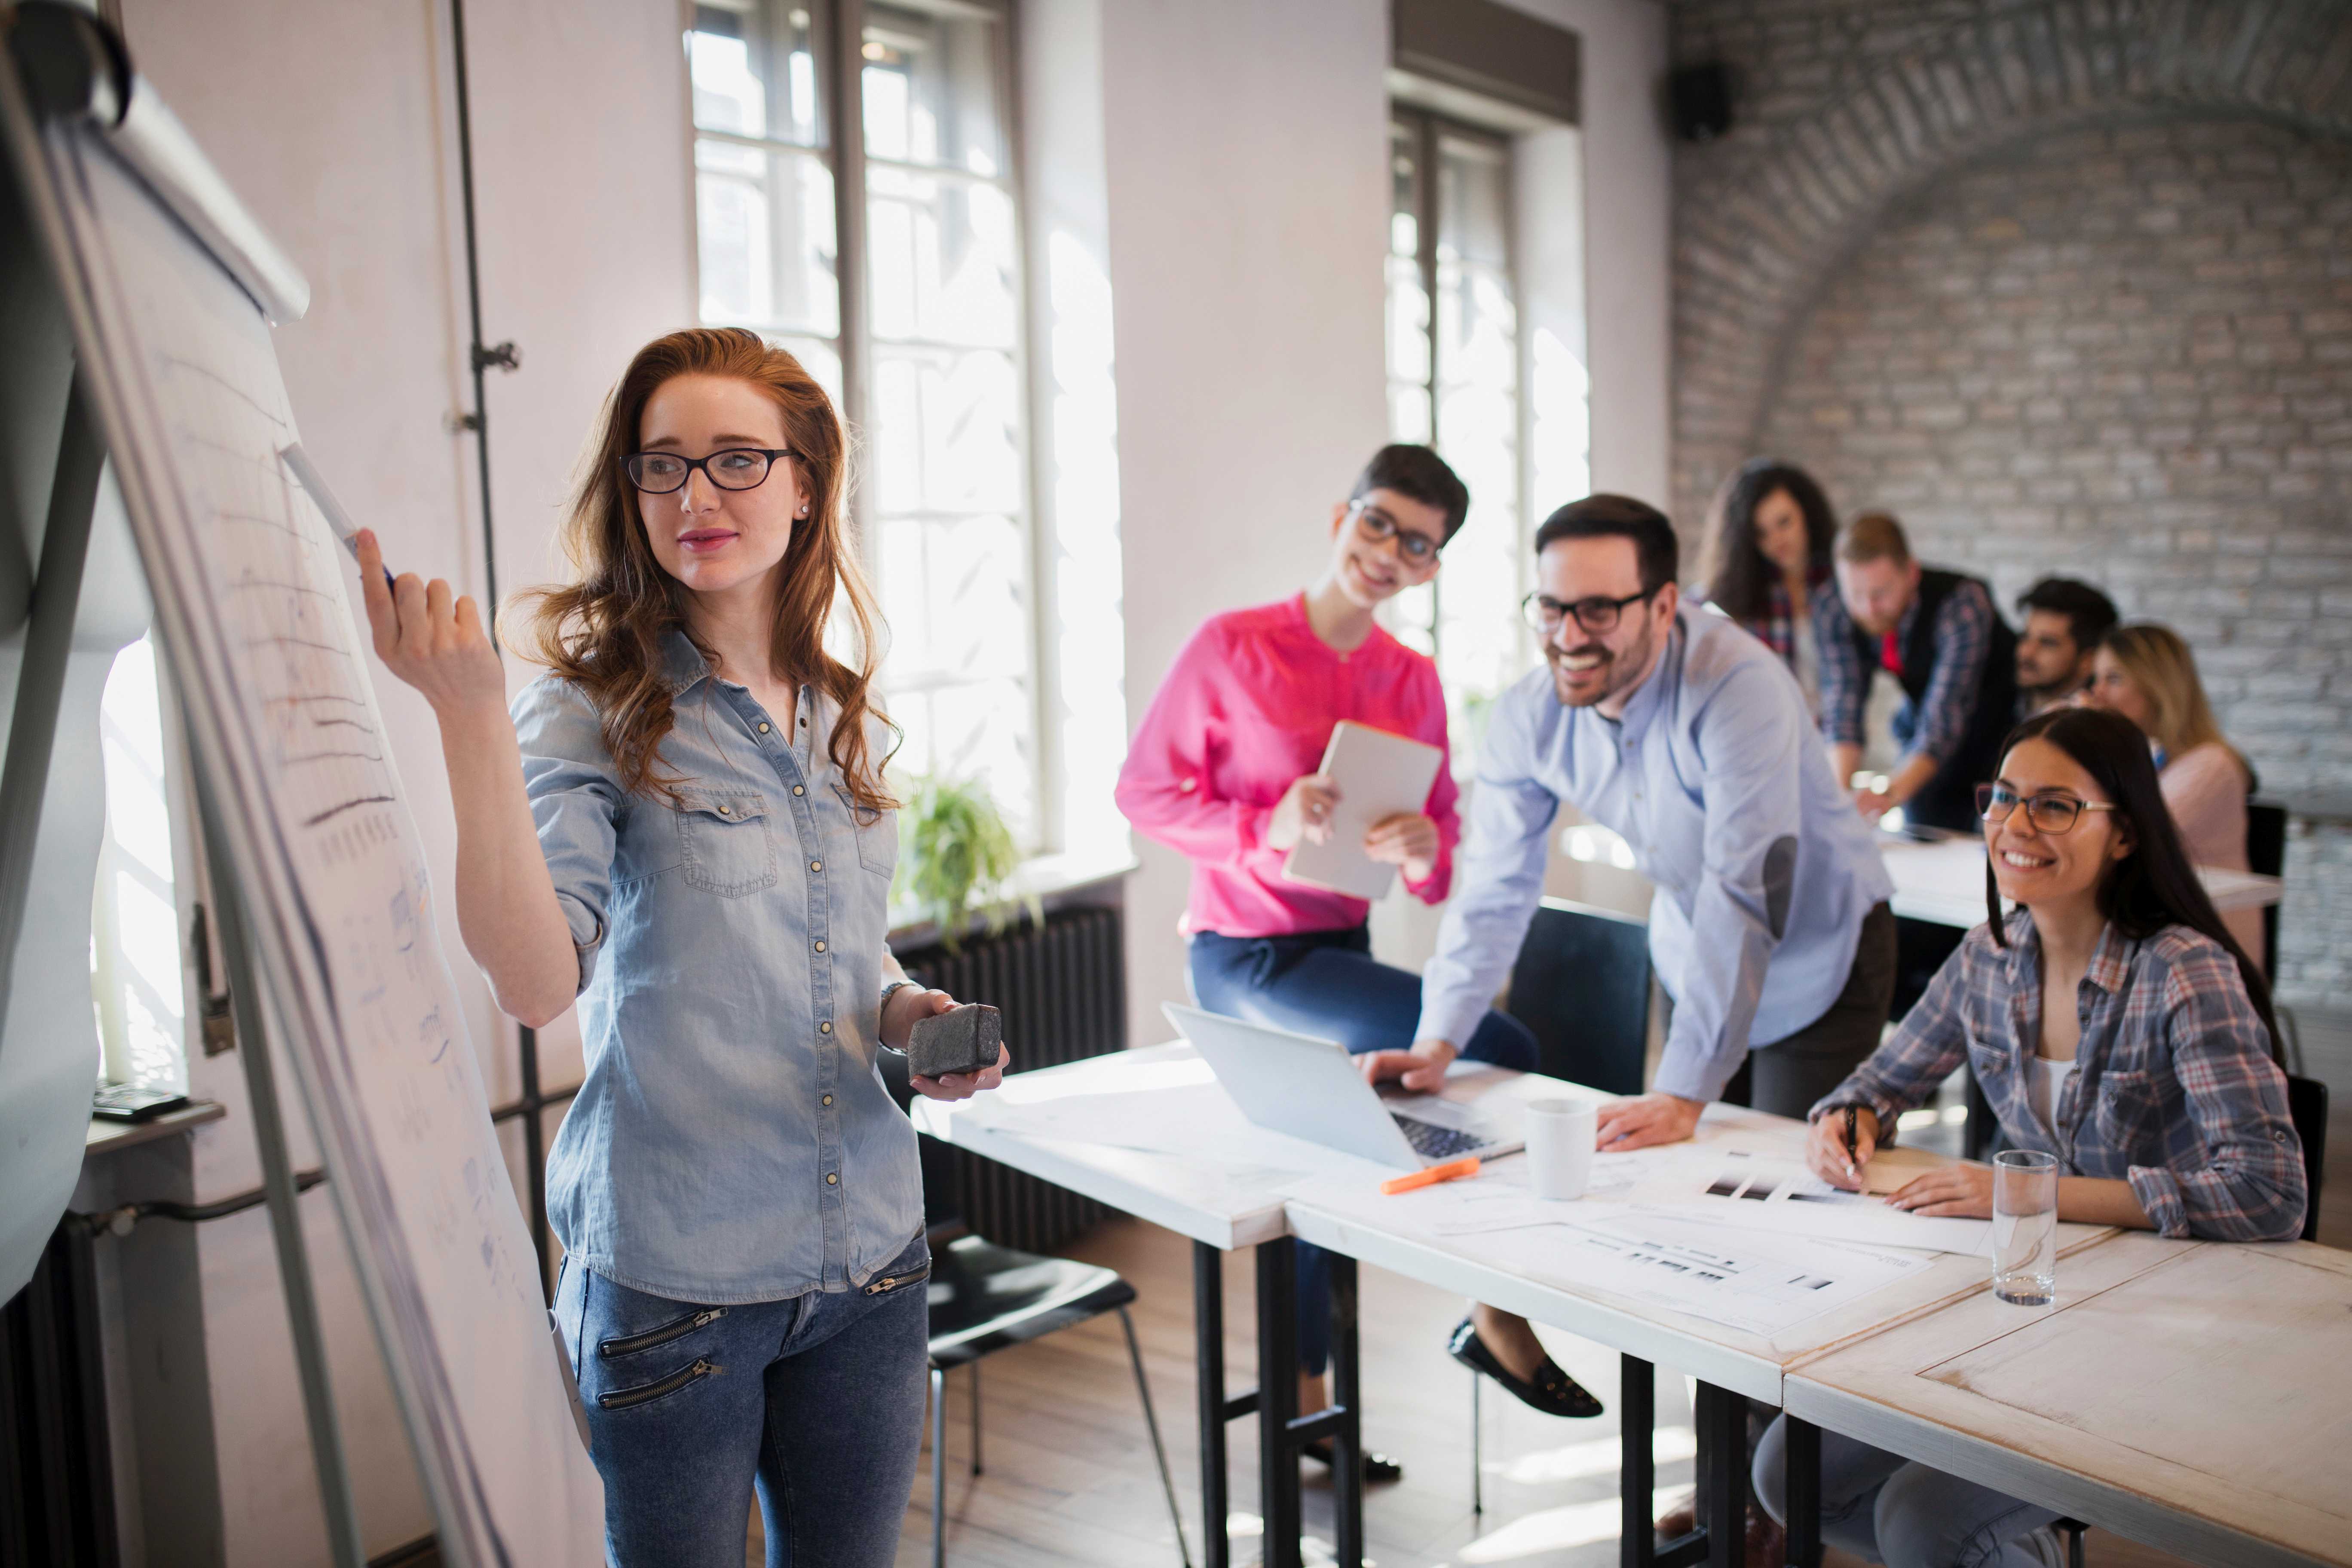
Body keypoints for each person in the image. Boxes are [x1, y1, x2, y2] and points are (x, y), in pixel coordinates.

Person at [355, 327, 1008, 1568]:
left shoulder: (836, 700)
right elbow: (538, 980)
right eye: (663, 467)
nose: (695, 495)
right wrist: (468, 718)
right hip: (679, 1280)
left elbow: (831, 953)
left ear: (808, 485)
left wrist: (905, 1009)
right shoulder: (593, 701)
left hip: (868, 1257)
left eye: (736, 461)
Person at [1385, 494, 1895, 1440]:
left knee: (1797, 1221)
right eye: (1549, 608)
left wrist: (1685, 1089)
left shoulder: (1737, 683)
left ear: (1665, 607)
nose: (1567, 637)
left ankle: (1780, 1505)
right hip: (1690, 943)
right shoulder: (1532, 715)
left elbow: (1750, 890)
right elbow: (1496, 885)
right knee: (1689, 1212)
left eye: (1597, 611)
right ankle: (1723, 1482)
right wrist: (1438, 1037)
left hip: (1820, 946)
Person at [1751, 705, 2303, 1568]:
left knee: (1922, 1525)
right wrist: (1843, 1120)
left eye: (2055, 805)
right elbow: (1876, 1085)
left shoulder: (2184, 969)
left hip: (2157, 1326)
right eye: (2003, 799)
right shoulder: (1988, 957)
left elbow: (2272, 1191)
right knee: (1790, 1473)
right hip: (2021, 1303)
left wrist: (2022, 1191)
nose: (2016, 824)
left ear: (2124, 835)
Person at [1115, 444, 1571, 1480]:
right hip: (1246, 960)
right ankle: (1492, 1310)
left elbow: (1444, 844)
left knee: (1331, 1156)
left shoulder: (1411, 682)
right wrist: (1259, 826)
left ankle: (1308, 1414)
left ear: (1430, 567)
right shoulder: (1230, 646)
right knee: (1500, 1042)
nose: (1387, 551)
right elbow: (1144, 792)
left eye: (1415, 543)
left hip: (1341, 951)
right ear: (1341, 517)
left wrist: (1421, 852)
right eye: (1377, 524)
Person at [1816, 512, 2018, 833]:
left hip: (1998, 735)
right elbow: (1844, 704)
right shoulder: (1832, 606)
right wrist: (1839, 801)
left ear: (1911, 573)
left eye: (1881, 594)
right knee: (1923, 827)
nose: (1869, 609)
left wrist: (1890, 794)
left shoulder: (1962, 604)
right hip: (1925, 735)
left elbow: (1944, 717)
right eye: (1855, 595)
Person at [2083, 623, 2264, 965]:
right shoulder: (2150, 760)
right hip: (2150, 938)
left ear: (2159, 687)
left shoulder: (2213, 765)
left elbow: (2119, 840)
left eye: (2114, 679)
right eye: (2096, 679)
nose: (2097, 694)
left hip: (2207, 958)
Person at [1696, 458, 1839, 714]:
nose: (1777, 541)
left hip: (1832, 739)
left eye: (1784, 522)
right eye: (1761, 533)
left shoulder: (1837, 585)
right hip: (1770, 735)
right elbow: (1695, 608)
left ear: (1806, 514)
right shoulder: (1743, 594)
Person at [2013, 576, 2119, 716]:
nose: (2026, 653)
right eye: (2025, 637)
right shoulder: (1995, 700)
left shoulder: (2097, 726)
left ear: (2088, 660)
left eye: (2048, 643)